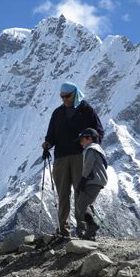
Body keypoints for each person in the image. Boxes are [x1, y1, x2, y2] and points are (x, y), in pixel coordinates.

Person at [42, 82, 104, 236]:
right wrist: (47, 144)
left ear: (75, 94)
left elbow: (99, 132)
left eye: (67, 96)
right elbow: (51, 135)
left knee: (80, 193)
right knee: (62, 194)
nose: (64, 99)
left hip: (80, 157)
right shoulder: (57, 113)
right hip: (61, 158)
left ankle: (82, 229)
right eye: (62, 97)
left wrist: (92, 148)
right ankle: (64, 229)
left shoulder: (87, 110)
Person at [76, 128, 108, 240]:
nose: (80, 142)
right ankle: (91, 233)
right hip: (98, 181)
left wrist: (83, 180)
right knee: (88, 204)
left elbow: (88, 165)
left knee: (81, 204)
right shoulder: (98, 149)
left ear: (89, 138)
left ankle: (92, 226)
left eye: (82, 139)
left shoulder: (91, 149)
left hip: (92, 180)